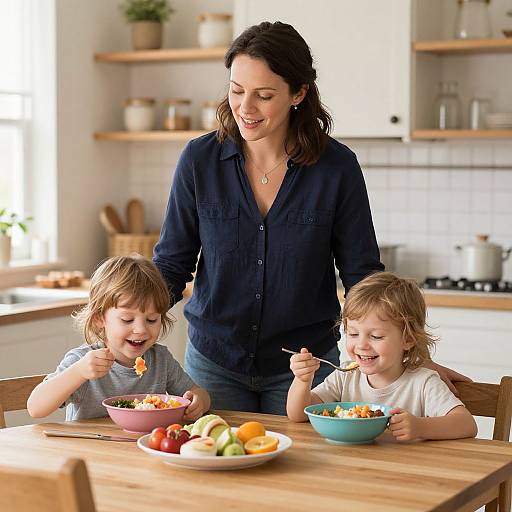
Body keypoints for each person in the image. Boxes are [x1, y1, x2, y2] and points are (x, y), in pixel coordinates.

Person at [153, 21, 469, 415]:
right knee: (218, 469)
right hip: (215, 362)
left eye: (264, 96)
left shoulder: (337, 168)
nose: (245, 108)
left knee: (311, 476)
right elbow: (171, 263)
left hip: (309, 368)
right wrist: (130, 321)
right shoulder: (200, 161)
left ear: (298, 93)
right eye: (237, 91)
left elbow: (362, 275)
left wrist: (412, 356)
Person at [286, 272, 477, 441]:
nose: (361, 345)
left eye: (375, 336)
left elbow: (466, 424)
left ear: (408, 339)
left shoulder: (423, 382)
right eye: (353, 334)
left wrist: (420, 427)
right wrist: (302, 380)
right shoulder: (346, 376)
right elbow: (298, 414)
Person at [27, 255, 210, 422]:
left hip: (141, 453)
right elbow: (35, 408)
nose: (140, 330)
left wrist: (198, 401)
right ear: (100, 318)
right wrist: (78, 372)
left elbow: (197, 392)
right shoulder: (83, 362)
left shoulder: (160, 360)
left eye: (152, 320)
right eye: (127, 319)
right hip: (92, 453)